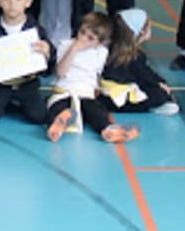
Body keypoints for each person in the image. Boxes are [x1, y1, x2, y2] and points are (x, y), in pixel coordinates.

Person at [46, 12, 140, 143]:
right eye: (82, 32)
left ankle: (108, 130)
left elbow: (96, 74)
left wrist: (97, 87)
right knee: (58, 108)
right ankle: (57, 125)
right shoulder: (65, 45)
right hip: (64, 92)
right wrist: (73, 50)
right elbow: (60, 72)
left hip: (86, 95)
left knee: (98, 111)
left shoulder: (101, 53)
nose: (83, 38)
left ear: (100, 42)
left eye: (90, 38)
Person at [102, 8, 179, 116]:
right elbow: (143, 76)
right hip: (117, 99)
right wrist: (159, 84)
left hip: (103, 93)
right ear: (142, 31)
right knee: (159, 95)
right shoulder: (135, 56)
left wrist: (159, 81)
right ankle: (148, 107)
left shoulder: (109, 48)